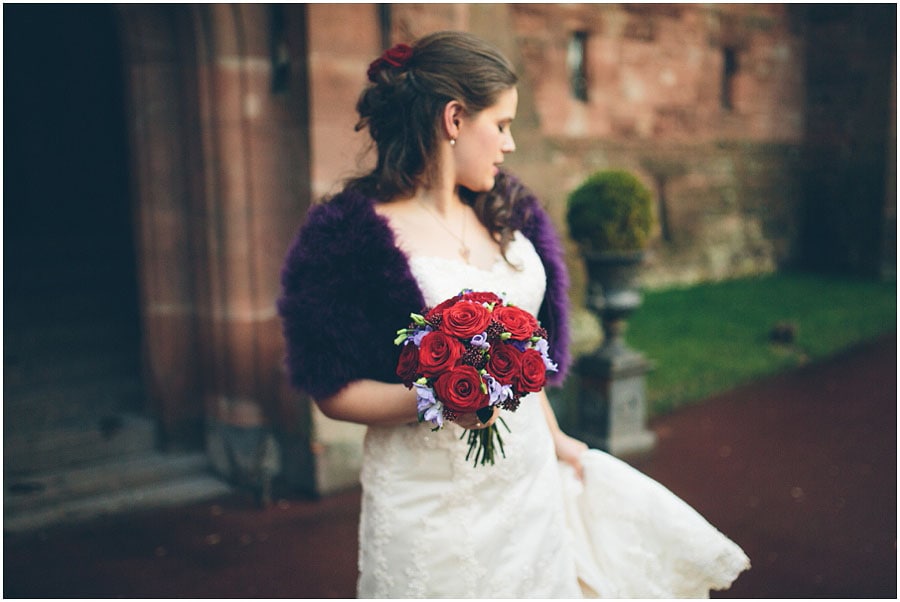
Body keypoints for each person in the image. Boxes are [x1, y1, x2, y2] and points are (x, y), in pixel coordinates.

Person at [278, 31, 749, 598]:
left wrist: (557, 441)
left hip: (527, 486)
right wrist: (441, 398)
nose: (510, 145)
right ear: (454, 119)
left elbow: (520, 355)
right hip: (430, 505)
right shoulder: (346, 237)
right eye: (501, 125)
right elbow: (332, 389)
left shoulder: (511, 214)